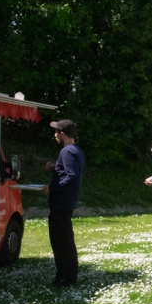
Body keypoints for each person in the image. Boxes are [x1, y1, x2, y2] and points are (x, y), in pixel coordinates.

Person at [43, 120, 84, 287]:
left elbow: (71, 177)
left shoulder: (67, 152)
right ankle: (67, 276)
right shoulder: (76, 151)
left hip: (61, 203)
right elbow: (68, 172)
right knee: (65, 240)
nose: (54, 135)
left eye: (56, 132)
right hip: (67, 203)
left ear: (62, 133)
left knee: (61, 242)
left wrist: (52, 188)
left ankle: (66, 278)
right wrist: (55, 169)